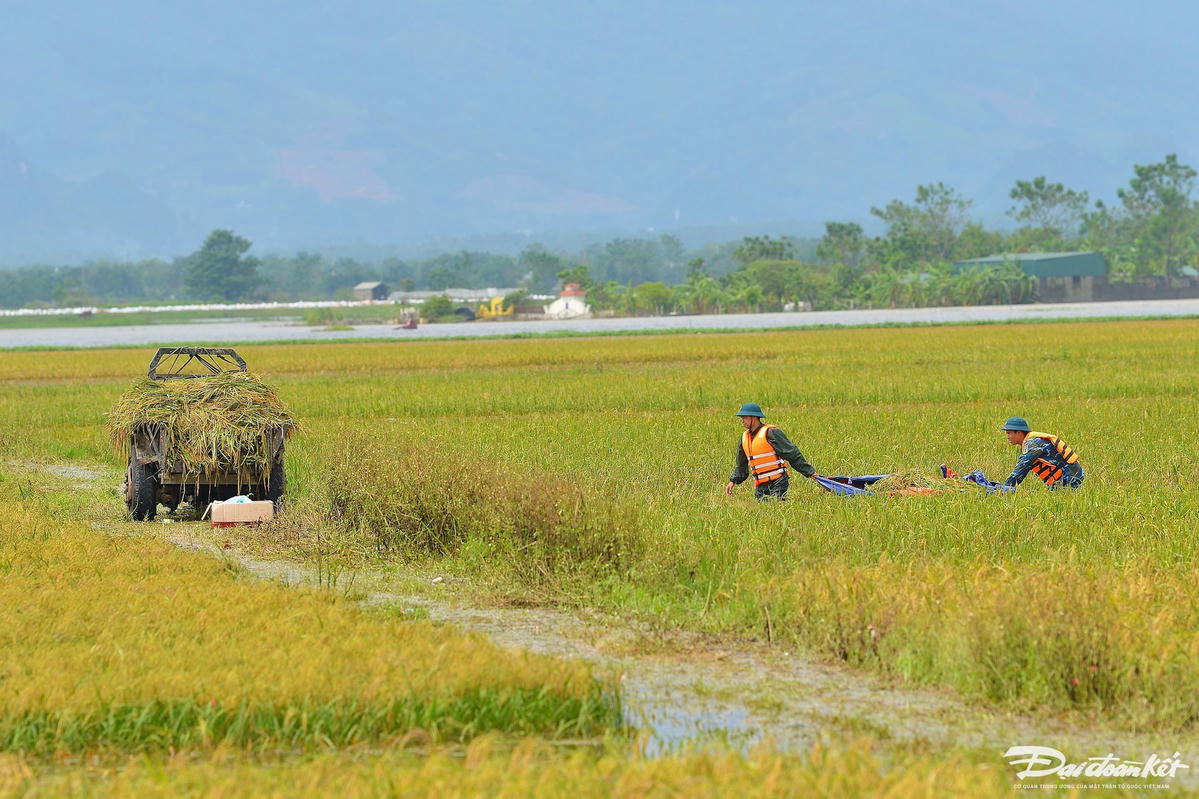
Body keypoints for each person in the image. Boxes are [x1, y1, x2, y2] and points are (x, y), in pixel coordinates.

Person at [725, 402, 818, 501]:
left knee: (775, 505)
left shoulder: (771, 432)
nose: (742, 421)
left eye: (745, 417)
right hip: (760, 485)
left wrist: (810, 472)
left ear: (754, 417)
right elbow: (741, 465)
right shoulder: (744, 438)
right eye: (741, 418)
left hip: (778, 481)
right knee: (762, 508)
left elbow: (792, 454)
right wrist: (733, 481)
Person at [1000, 416, 1084, 489]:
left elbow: (1022, 467)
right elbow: (1024, 470)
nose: (1007, 437)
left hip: (1070, 478)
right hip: (1066, 477)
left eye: (1009, 433)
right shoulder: (1031, 441)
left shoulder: (1033, 444)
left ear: (1019, 432)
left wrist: (1005, 488)